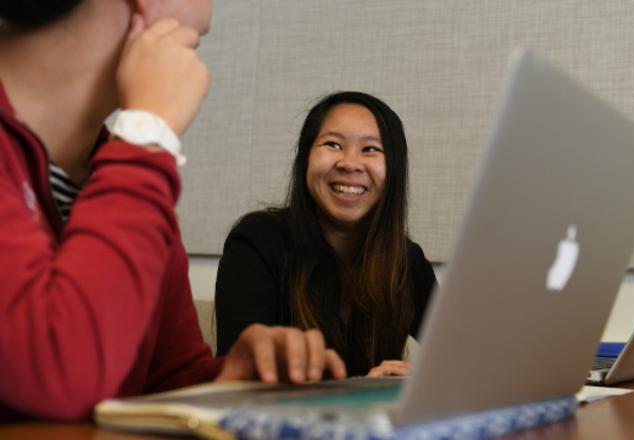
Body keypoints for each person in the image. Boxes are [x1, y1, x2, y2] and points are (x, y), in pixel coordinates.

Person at [0, 0, 344, 422]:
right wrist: (150, 131)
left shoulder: (121, 170)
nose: (209, 18)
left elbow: (163, 381)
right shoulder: (137, 159)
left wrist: (231, 380)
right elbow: (55, 373)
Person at [215, 91, 437, 377]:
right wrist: (359, 392)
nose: (349, 163)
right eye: (333, 144)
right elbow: (240, 382)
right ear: (305, 158)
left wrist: (421, 378)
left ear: (394, 169)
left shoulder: (407, 260)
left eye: (370, 149)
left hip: (377, 422)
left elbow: (463, 355)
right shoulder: (257, 241)